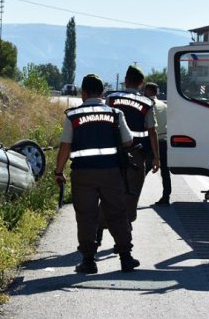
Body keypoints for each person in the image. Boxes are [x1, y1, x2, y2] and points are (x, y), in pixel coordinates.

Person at [54, 74, 140, 274]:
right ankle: (126, 258)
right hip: (111, 172)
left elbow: (65, 147)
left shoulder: (73, 116)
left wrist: (58, 172)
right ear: (102, 93)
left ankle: (89, 261)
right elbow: (127, 142)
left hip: (83, 174)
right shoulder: (115, 114)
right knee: (117, 213)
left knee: (86, 216)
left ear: (83, 93)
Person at [105, 65, 160, 223]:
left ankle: (100, 228)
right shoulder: (147, 103)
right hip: (137, 155)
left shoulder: (112, 99)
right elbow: (152, 131)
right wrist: (156, 157)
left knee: (109, 191)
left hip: (113, 153)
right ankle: (125, 229)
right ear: (141, 83)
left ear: (126, 80)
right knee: (131, 193)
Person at [144, 82, 170, 205]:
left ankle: (131, 194)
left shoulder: (146, 105)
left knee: (143, 169)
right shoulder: (164, 105)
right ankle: (166, 196)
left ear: (149, 91)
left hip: (151, 142)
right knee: (165, 171)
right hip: (164, 141)